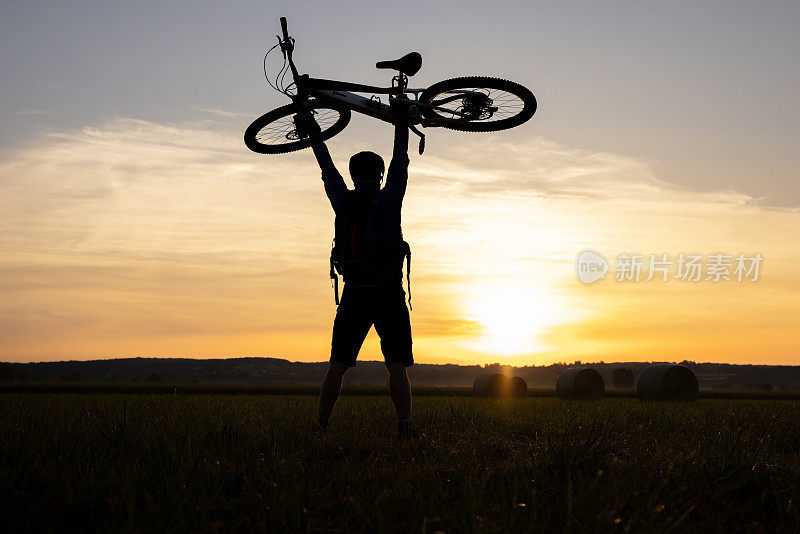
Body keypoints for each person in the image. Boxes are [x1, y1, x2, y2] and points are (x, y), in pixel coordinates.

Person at [298, 105, 415, 440]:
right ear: (379, 174)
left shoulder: (341, 201)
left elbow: (325, 166)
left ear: (352, 175)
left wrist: (313, 131)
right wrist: (401, 122)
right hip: (390, 292)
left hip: (356, 292)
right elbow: (401, 160)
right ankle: (404, 428)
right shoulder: (391, 198)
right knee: (396, 365)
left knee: (338, 363)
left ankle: (320, 425)